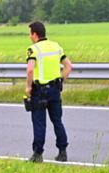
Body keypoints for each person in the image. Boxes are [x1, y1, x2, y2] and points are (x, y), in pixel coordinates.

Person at [24, 21, 73, 163]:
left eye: (30, 34)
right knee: (57, 120)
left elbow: (30, 69)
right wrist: (61, 80)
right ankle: (62, 152)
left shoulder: (33, 49)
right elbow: (69, 66)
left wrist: (28, 86)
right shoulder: (56, 46)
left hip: (39, 90)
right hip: (54, 89)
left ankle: (37, 154)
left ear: (34, 34)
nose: (29, 37)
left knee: (39, 122)